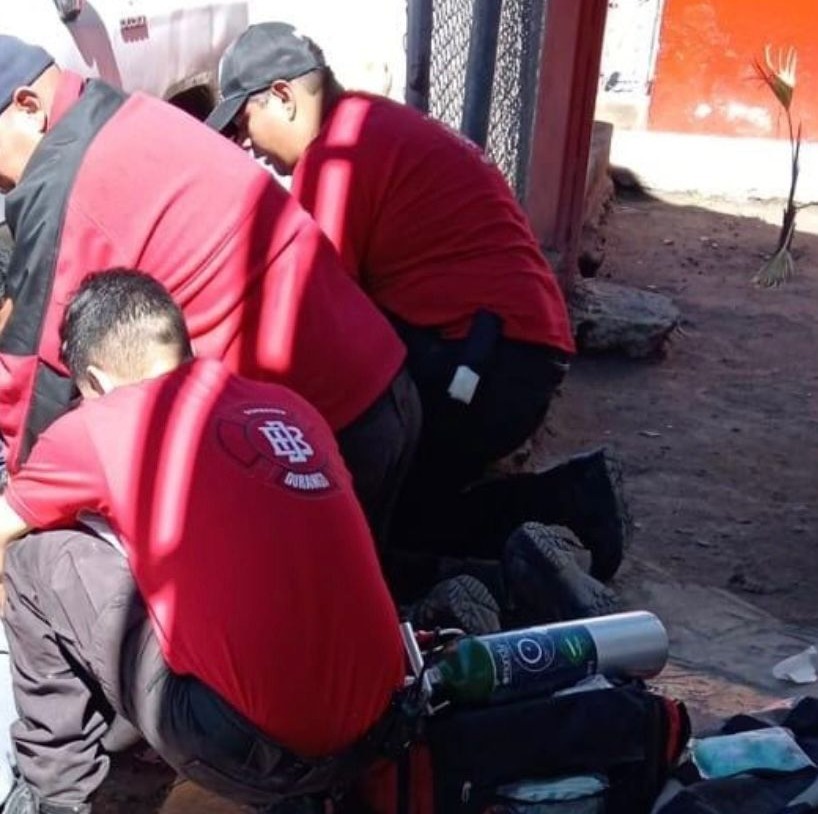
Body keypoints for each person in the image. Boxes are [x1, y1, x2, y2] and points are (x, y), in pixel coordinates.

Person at [205, 22, 630, 583]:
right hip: (508, 349)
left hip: (490, 363)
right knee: (400, 503)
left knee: (383, 523)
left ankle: (575, 508)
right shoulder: (368, 123)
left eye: (244, 125)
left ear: (282, 98)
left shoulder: (337, 161)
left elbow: (318, 320)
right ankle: (564, 505)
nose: (249, 147)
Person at [0, 270, 407, 814]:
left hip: (248, 748)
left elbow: (5, 526)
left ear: (94, 379)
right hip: (378, 727)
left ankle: (59, 795)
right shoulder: (287, 409)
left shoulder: (99, 426)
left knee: (34, 562)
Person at [0, 34, 420, 544]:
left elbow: (36, 381)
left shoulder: (61, 182)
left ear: (26, 107)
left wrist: (21, 506)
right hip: (380, 387)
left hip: (317, 439)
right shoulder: (124, 112)